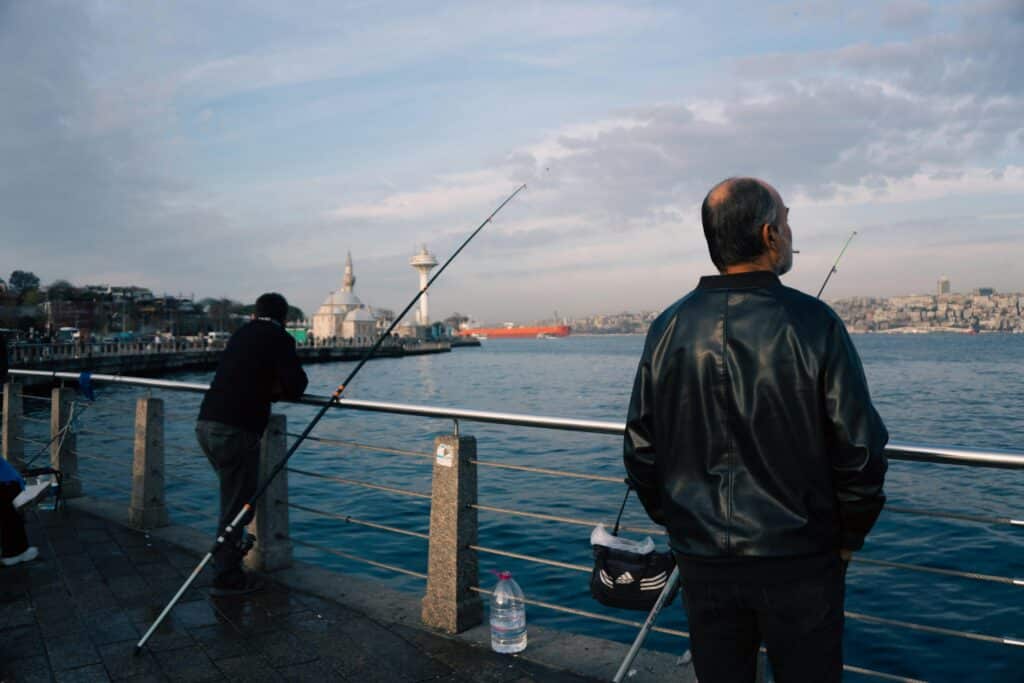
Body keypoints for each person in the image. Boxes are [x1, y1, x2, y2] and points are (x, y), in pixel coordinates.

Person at [623, 177, 888, 682]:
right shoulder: (814, 322)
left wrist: (683, 522)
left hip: (702, 558)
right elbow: (859, 449)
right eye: (787, 221)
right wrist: (848, 536)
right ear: (770, 235)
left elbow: (640, 449)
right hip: (800, 558)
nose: (790, 232)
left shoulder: (668, 326)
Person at [196, 292, 308, 596]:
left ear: (255, 314)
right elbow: (297, 385)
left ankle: (229, 555)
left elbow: (243, 374)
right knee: (236, 507)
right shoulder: (278, 337)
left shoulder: (241, 334)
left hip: (205, 424)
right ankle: (226, 577)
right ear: (283, 318)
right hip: (235, 430)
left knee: (234, 498)